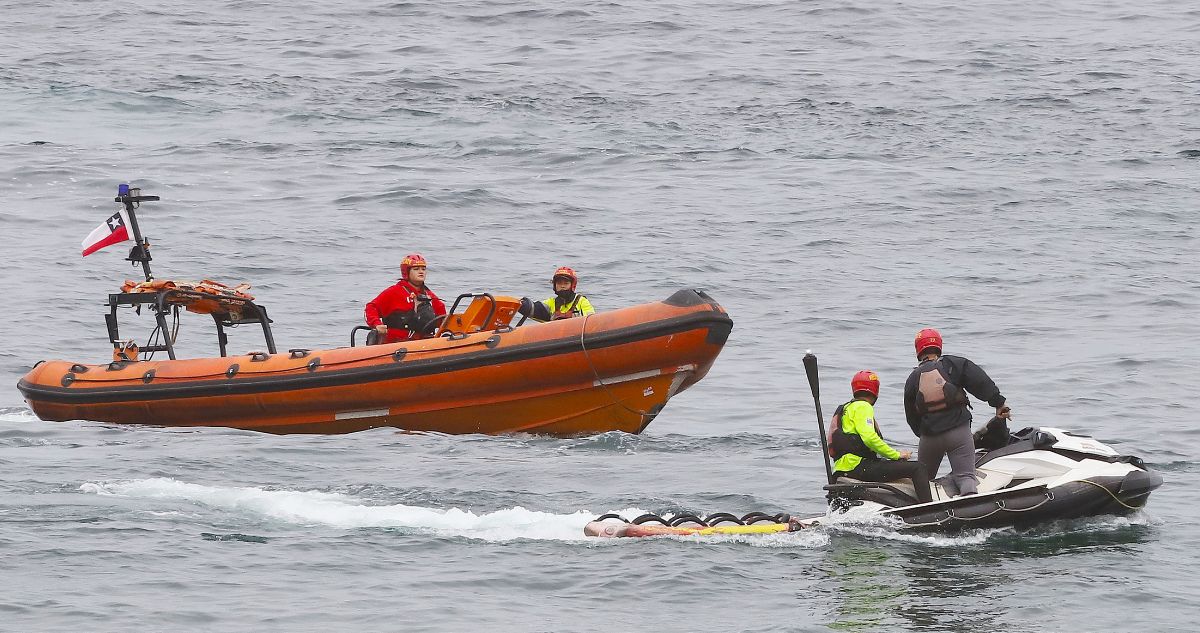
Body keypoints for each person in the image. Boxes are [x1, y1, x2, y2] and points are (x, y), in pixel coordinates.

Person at [904, 328, 1011, 496]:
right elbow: (980, 382)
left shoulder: (912, 378)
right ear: (938, 345)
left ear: (918, 350)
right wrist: (998, 403)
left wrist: (924, 434)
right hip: (959, 434)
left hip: (929, 438)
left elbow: (911, 415)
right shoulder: (953, 364)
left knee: (923, 481)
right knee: (966, 477)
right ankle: (971, 509)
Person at [830, 370, 933, 504]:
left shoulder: (846, 408)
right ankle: (929, 507)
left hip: (842, 468)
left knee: (897, 466)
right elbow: (869, 438)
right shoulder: (863, 406)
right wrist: (896, 455)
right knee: (918, 468)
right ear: (875, 390)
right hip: (858, 466)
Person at [364, 253, 447, 344]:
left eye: (423, 269)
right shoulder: (394, 292)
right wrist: (377, 324)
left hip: (424, 343)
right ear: (406, 272)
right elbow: (371, 307)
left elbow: (443, 319)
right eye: (416, 269)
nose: (421, 272)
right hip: (395, 345)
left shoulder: (430, 296)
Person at [517, 266, 595, 322]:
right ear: (555, 285)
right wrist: (520, 304)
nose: (562, 286)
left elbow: (591, 321)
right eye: (559, 283)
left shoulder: (581, 301)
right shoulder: (551, 303)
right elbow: (535, 308)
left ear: (572, 285)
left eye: (566, 283)